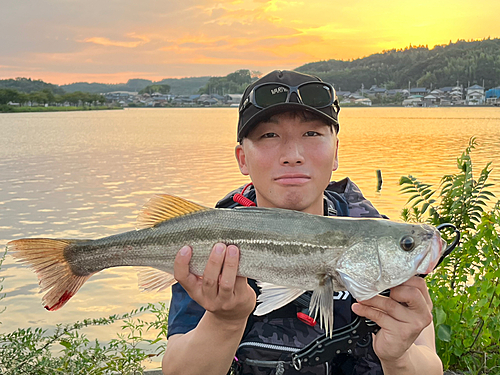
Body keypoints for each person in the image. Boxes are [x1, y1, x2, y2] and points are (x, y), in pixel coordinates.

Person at [162, 70, 443, 375]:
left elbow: (429, 363)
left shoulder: (379, 241)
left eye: (312, 134)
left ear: (335, 151)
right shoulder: (212, 237)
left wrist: (399, 358)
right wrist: (224, 320)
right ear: (243, 158)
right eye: (269, 135)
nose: (293, 155)